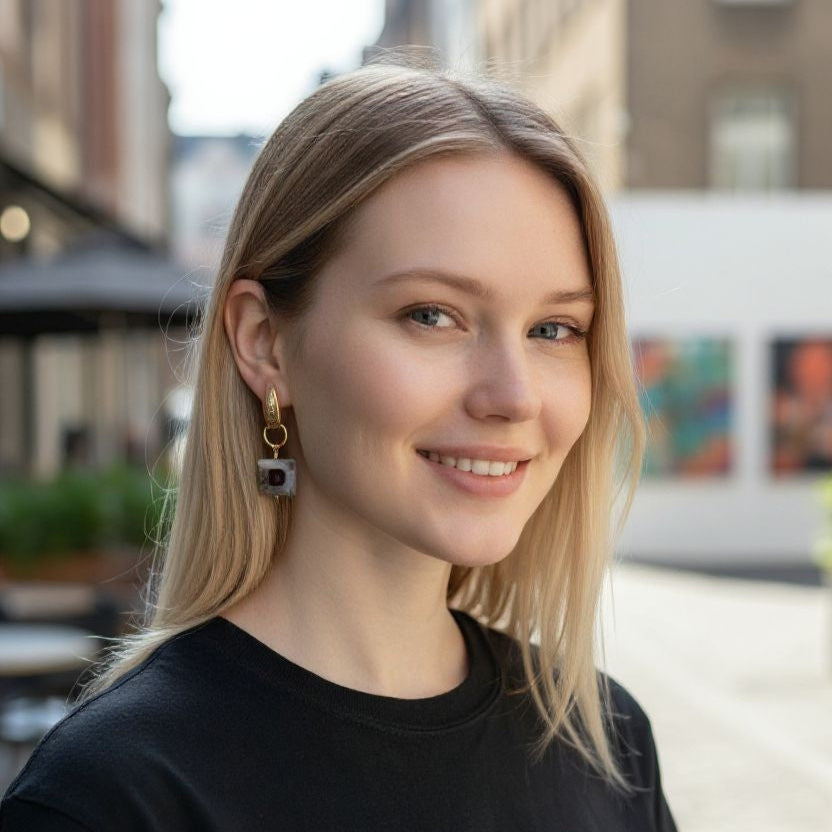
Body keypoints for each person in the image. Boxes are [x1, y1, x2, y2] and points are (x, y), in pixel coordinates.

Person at [0, 60, 678, 831]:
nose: (514, 395)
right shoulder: (110, 798)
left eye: (554, 329)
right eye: (433, 315)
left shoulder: (609, 750)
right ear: (265, 343)